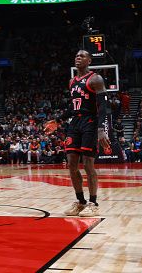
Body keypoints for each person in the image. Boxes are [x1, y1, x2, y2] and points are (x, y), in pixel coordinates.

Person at [45, 50, 111, 217]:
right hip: (74, 123)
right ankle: (80, 202)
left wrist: (101, 129)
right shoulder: (72, 81)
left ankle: (93, 203)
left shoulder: (95, 79)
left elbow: (103, 107)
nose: (78, 58)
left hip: (90, 122)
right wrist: (57, 120)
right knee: (71, 164)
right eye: (76, 56)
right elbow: (73, 106)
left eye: (82, 56)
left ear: (89, 60)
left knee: (88, 164)